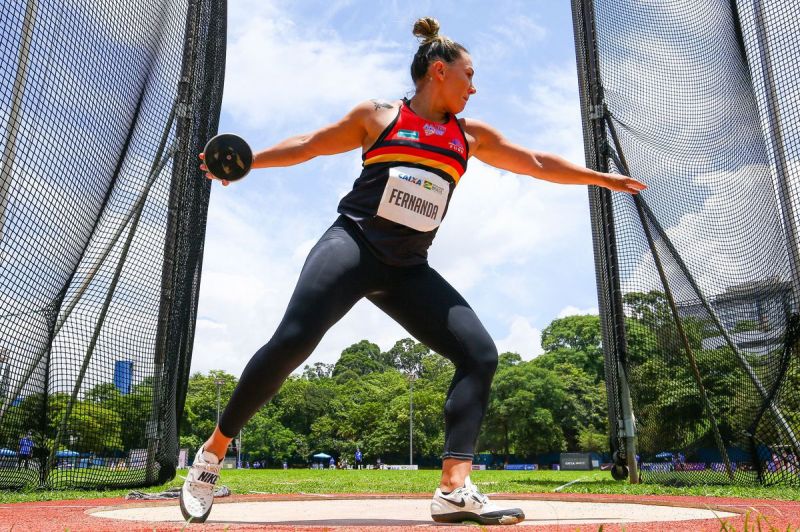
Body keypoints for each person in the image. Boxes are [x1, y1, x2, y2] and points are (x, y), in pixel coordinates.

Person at [179, 17, 646, 525]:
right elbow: (310, 143)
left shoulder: (469, 136)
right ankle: (212, 455)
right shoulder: (379, 117)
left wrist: (600, 178)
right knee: (293, 342)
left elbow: (535, 160)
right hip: (353, 245)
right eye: (469, 75)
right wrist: (250, 161)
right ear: (439, 71)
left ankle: (453, 489)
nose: (474, 87)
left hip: (407, 268)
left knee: (479, 354)